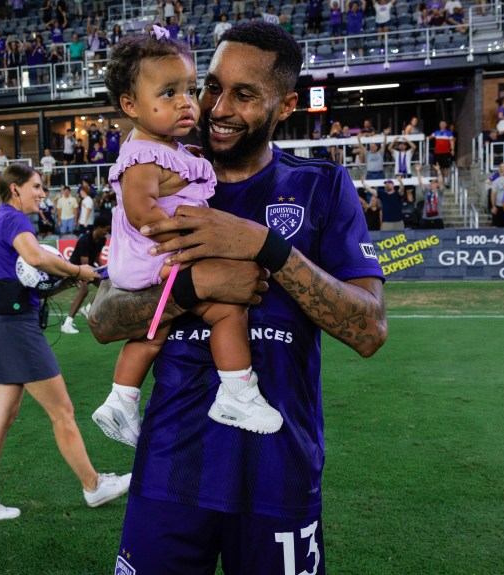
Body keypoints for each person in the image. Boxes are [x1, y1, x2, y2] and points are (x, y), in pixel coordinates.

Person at [88, 21, 387, 573]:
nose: (217, 108)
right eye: (211, 87)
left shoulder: (321, 186)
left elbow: (369, 330)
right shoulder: (163, 169)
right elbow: (104, 319)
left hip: (279, 473)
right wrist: (194, 287)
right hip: (169, 471)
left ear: (286, 105)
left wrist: (266, 247)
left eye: (244, 95)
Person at [93, 24, 284, 448]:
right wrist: (191, 234)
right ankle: (237, 392)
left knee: (152, 333)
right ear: (130, 104)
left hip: (153, 256)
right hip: (154, 254)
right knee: (227, 310)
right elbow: (141, 212)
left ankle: (121, 400)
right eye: (168, 93)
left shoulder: (168, 148)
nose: (186, 102)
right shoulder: (142, 157)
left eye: (190, 90)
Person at [0, 163, 130, 524]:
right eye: (37, 186)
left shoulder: (0, 220)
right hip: (18, 330)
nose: (42, 193)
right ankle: (93, 485)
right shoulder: (13, 219)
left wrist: (65, 280)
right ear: (15, 189)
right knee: (62, 411)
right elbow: (37, 258)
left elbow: (25, 279)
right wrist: (78, 271)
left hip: (2, 326)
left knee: (0, 419)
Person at [60, 214, 111, 334]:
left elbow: (96, 257)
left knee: (107, 286)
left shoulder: (102, 240)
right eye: (105, 230)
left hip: (88, 269)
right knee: (84, 290)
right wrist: (98, 273)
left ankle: (88, 309)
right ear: (98, 228)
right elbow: (84, 266)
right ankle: (66, 324)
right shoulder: (84, 240)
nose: (107, 232)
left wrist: (105, 269)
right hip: (75, 270)